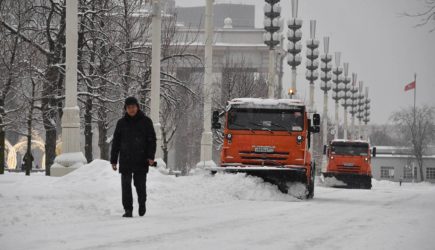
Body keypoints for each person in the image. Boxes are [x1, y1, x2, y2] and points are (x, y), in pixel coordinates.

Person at [110, 97, 157, 218]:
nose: (131, 109)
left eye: (133, 107)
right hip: (125, 159)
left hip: (141, 159)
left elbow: (151, 140)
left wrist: (150, 156)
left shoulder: (146, 121)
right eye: (128, 107)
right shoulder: (121, 123)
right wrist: (114, 160)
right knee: (125, 185)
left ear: (138, 107)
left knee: (140, 184)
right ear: (125, 109)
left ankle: (142, 203)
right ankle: (128, 209)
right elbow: (116, 142)